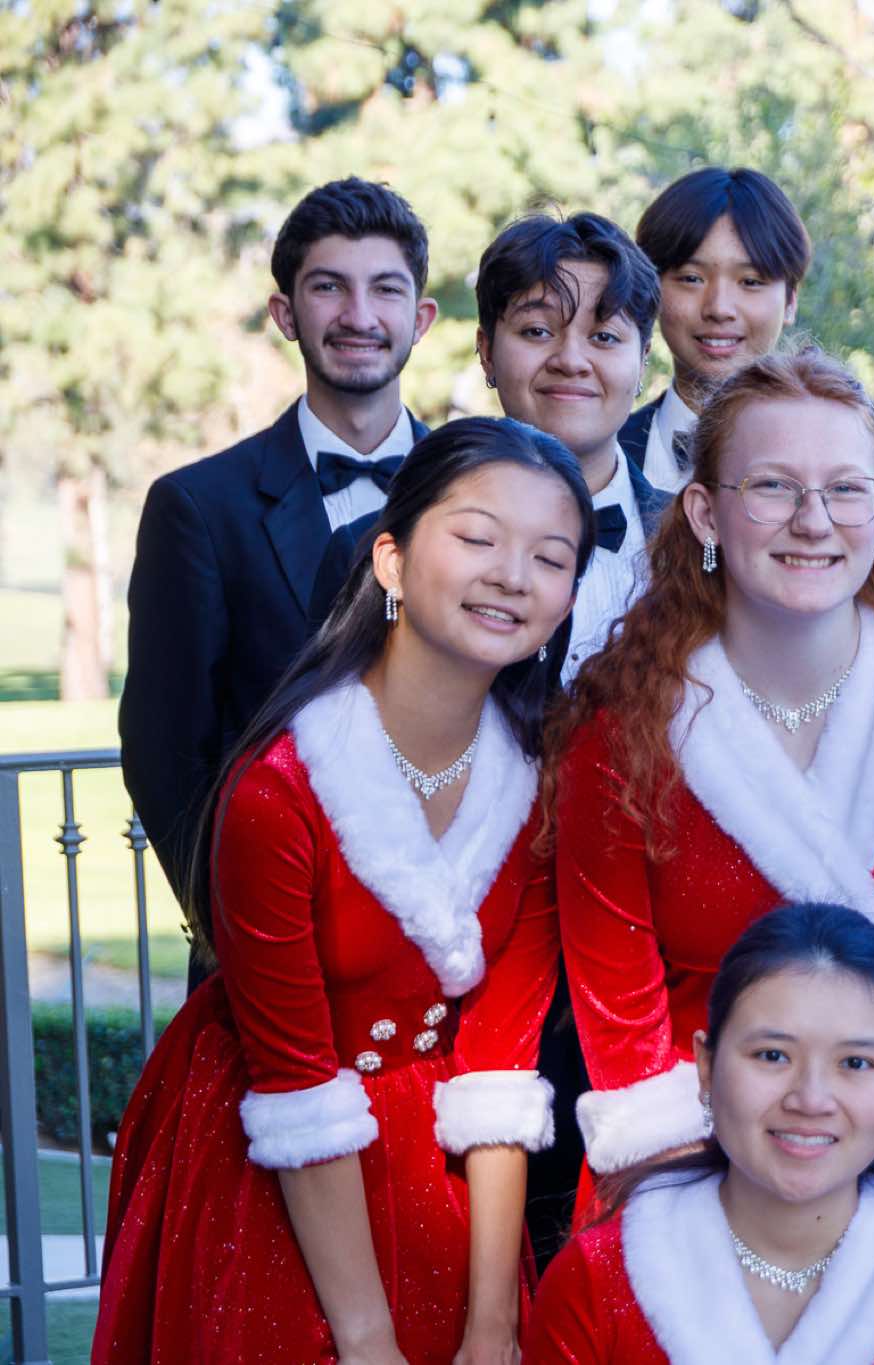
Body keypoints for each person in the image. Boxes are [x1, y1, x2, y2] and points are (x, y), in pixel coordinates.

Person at [547, 348, 874, 1297]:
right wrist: (698, 1267)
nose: (813, 521)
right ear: (706, 514)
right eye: (773, 486)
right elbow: (623, 1021)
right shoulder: (620, 726)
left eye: (845, 489)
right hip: (680, 1172)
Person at [94, 418, 595, 1364]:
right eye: (477, 537)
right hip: (273, 1155)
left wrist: (493, 1319)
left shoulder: (540, 784)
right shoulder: (276, 792)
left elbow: (499, 1059)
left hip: (442, 1163)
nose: (512, 575)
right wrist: (366, 1339)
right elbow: (294, 1082)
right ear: (392, 561)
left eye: (550, 556)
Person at [121, 177, 436, 931]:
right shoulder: (198, 508)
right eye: (329, 287)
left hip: (455, 926)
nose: (359, 315)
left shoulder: (484, 492)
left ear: (420, 318)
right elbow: (164, 750)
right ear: (285, 313)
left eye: (385, 289)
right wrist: (234, 923)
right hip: (269, 931)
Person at [524, 903, 874, 1363]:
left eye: (855, 1063)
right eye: (772, 1055)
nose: (810, 1099)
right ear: (706, 1066)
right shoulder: (596, 1280)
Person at [316, 211, 669, 690]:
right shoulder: (377, 547)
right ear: (486, 351)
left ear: (643, 360)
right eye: (537, 331)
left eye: (604, 337)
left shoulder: (702, 546)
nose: (571, 360)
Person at [622, 166, 808, 490]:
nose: (719, 308)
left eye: (750, 281)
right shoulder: (590, 463)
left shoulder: (867, 471)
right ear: (652, 292)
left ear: (790, 300)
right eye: (692, 278)